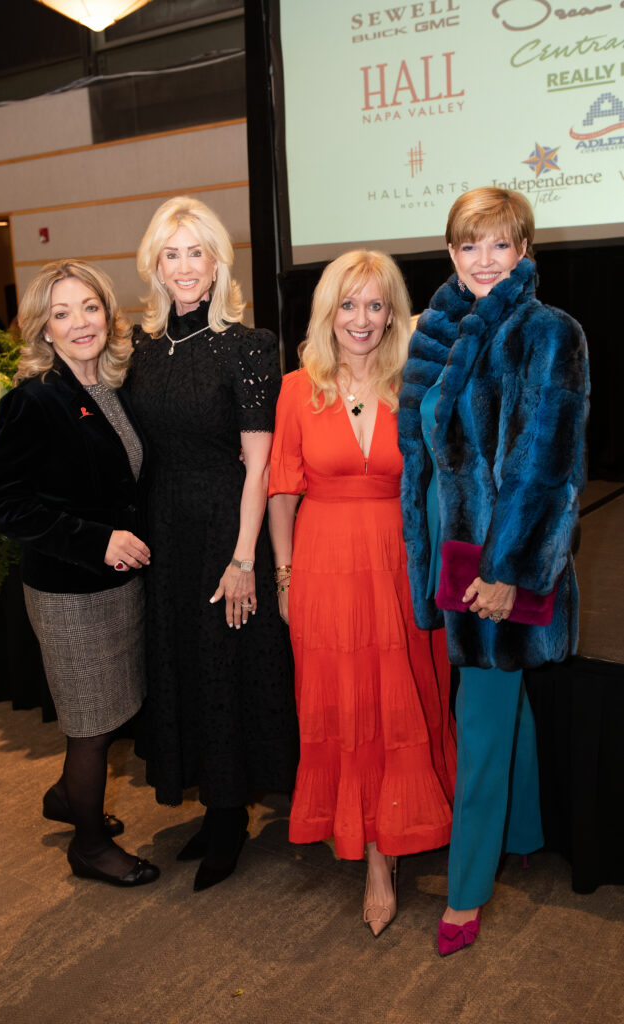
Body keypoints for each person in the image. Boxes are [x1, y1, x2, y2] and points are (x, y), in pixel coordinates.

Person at [398, 187, 590, 955]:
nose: (483, 261)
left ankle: (466, 891)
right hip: (446, 546)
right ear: (449, 252)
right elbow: (422, 456)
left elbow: (548, 466)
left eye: (499, 244)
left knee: (477, 720)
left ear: (523, 250)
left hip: (497, 555)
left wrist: (509, 569)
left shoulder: (550, 333)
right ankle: (523, 832)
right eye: (468, 245)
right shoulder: (435, 330)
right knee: (497, 700)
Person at [267, 250, 457, 936]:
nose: (361, 319)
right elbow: (282, 489)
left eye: (375, 305)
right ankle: (365, 841)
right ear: (327, 312)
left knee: (399, 705)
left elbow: (446, 480)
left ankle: (387, 849)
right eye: (348, 305)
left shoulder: (416, 381)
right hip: (321, 570)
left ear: (393, 313)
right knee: (342, 711)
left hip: (400, 566)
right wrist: (284, 577)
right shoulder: (295, 388)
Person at [129, 196, 298, 891]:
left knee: (227, 666)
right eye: (171, 255)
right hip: (165, 529)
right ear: (154, 266)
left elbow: (259, 464)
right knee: (185, 664)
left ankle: (230, 816)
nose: (184, 269)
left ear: (218, 262)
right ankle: (209, 800)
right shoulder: (140, 348)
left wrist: (241, 558)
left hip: (228, 526)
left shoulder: (247, 345)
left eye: (196, 253)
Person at [0, 259, 159, 888]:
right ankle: (88, 846)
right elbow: (4, 504)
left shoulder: (112, 386)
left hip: (116, 586)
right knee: (90, 724)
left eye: (89, 307)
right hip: (69, 592)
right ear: (43, 330)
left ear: (108, 314)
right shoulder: (36, 399)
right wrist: (95, 541)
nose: (79, 322)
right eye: (61, 313)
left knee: (108, 713)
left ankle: (66, 797)